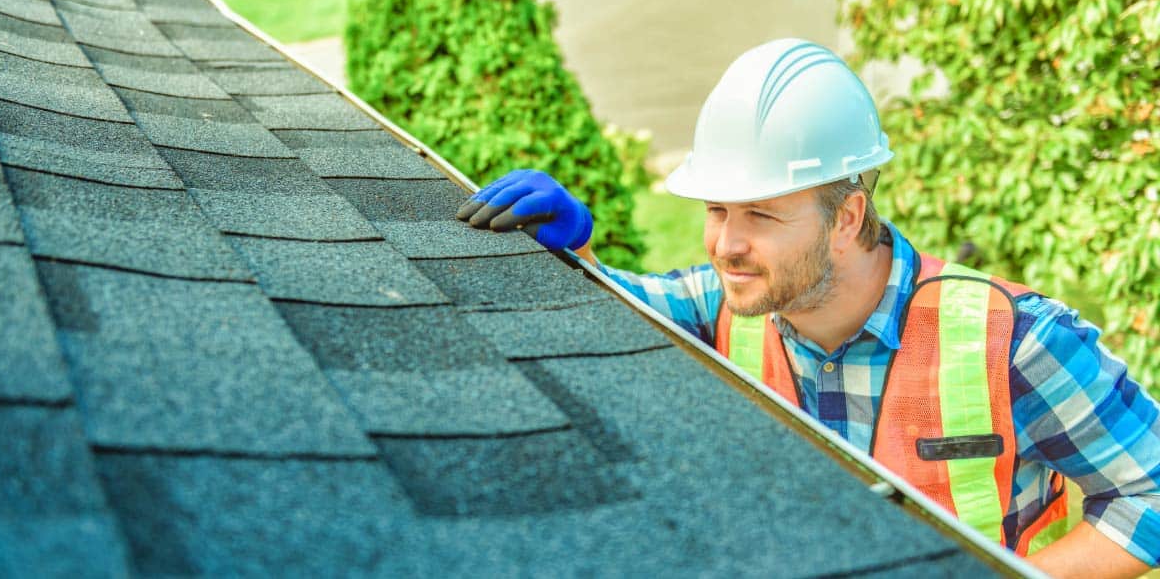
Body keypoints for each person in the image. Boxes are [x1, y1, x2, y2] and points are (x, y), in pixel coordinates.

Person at [457, 39, 1160, 578]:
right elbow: (600, 316)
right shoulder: (721, 310)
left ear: (847, 218)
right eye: (715, 210)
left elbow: (1151, 494)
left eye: (761, 214)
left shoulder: (1016, 342)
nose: (727, 244)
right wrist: (572, 257)